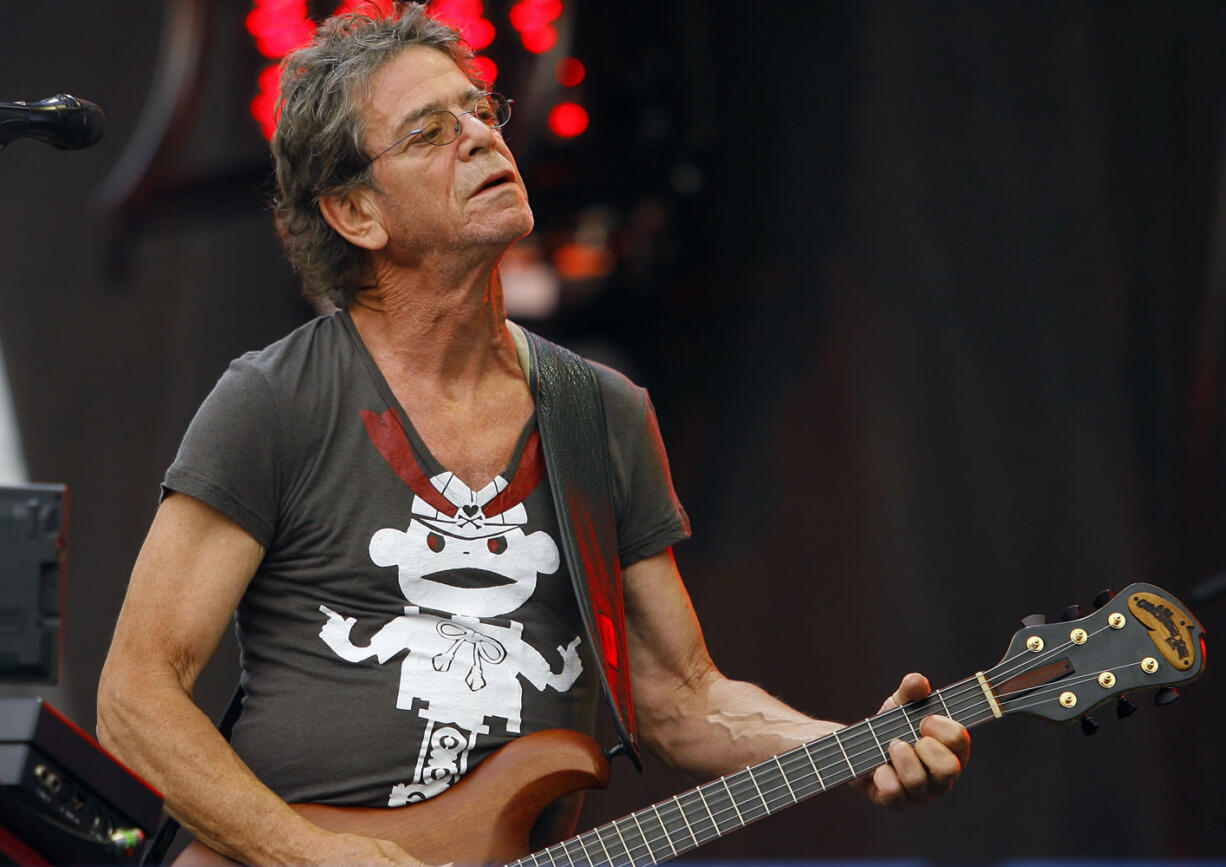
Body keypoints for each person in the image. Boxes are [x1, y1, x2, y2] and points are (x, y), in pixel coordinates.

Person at [96, 4, 971, 865]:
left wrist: (851, 745)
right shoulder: (275, 401)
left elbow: (678, 695)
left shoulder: (600, 413)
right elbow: (135, 699)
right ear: (357, 214)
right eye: (430, 132)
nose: (480, 135)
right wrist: (311, 856)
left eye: (482, 109)